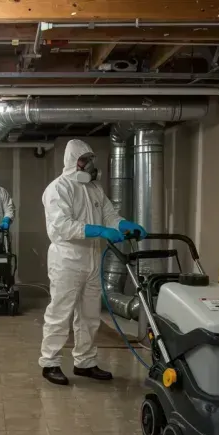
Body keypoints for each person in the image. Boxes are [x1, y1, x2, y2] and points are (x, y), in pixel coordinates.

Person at [39, 139, 146, 386]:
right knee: (60, 312)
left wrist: (122, 224)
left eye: (91, 159)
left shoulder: (95, 189)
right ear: (73, 161)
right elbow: (62, 226)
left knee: (89, 315)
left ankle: (84, 362)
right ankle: (50, 362)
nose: (89, 165)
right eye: (84, 159)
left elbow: (109, 215)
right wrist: (98, 230)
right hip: (66, 259)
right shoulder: (58, 188)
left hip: (92, 259)